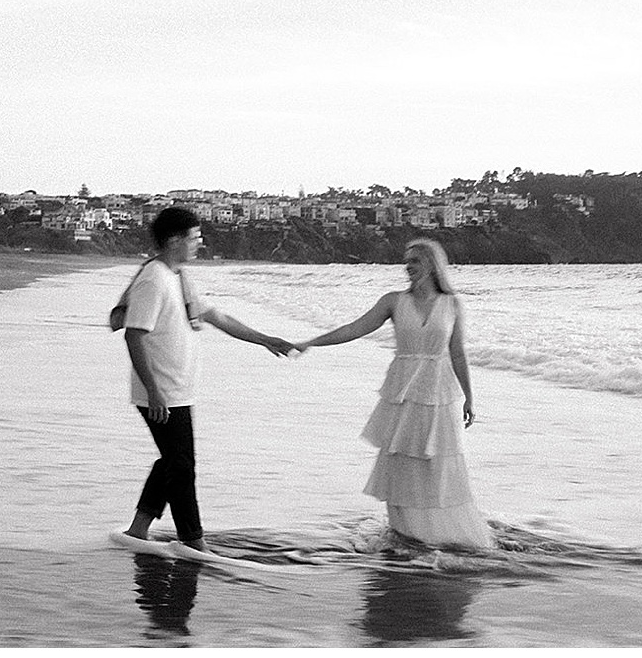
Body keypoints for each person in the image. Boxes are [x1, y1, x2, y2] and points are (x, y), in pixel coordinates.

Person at [296, 238, 492, 549]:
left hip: (438, 391)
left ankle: (440, 533)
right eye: (406, 260)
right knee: (401, 460)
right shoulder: (393, 301)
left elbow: (457, 353)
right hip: (402, 390)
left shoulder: (452, 304)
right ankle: (407, 531)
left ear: (431, 264)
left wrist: (469, 396)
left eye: (414, 261)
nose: (407, 267)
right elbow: (353, 328)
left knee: (437, 460)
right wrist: (310, 342)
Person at [121, 207, 294, 553]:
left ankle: (139, 529)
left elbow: (216, 315)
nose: (200, 243)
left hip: (176, 389)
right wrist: (154, 391)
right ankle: (192, 541)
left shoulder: (178, 276)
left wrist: (265, 339)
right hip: (162, 391)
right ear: (174, 241)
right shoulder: (154, 279)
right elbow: (133, 335)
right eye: (195, 237)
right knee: (181, 466)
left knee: (173, 459)